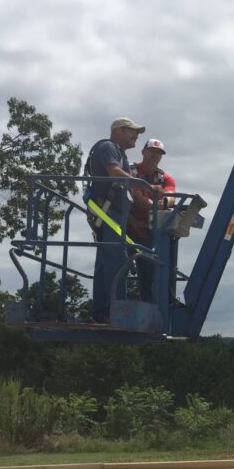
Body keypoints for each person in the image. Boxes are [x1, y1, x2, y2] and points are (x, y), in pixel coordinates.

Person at [88, 117, 143, 324]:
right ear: (119, 131)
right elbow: (114, 173)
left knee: (105, 262)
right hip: (106, 211)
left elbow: (128, 186)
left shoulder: (121, 154)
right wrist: (144, 184)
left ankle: (102, 312)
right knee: (117, 261)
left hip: (113, 213)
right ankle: (118, 313)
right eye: (132, 131)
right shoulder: (108, 147)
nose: (136, 136)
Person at [129, 138, 177, 302]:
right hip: (127, 227)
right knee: (117, 264)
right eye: (151, 151)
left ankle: (149, 306)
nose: (155, 155)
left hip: (150, 232)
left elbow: (170, 202)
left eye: (158, 153)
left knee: (148, 271)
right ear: (143, 152)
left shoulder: (166, 179)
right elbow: (135, 199)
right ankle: (111, 308)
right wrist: (155, 203)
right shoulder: (131, 172)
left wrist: (152, 203)